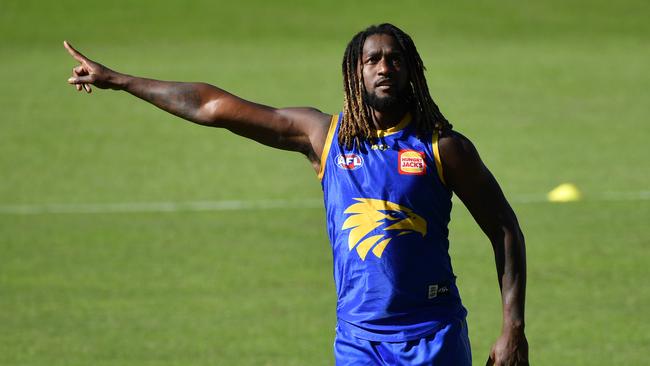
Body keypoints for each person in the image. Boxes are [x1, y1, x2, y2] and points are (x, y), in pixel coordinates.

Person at [64, 23, 528, 366]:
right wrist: (120, 80)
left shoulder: (443, 148)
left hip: (434, 337)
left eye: (395, 58)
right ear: (355, 72)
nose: (384, 67)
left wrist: (513, 329)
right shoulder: (323, 137)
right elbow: (212, 106)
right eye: (372, 59)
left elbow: (504, 229)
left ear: (411, 70)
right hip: (359, 343)